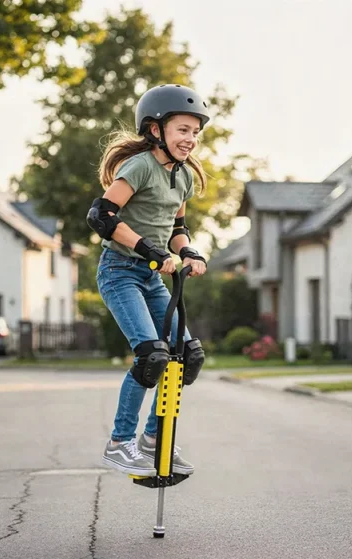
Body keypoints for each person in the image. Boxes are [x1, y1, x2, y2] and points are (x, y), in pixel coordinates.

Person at [86, 84, 211, 477]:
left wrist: (187, 251)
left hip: (154, 278)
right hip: (120, 272)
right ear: (156, 130)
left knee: (186, 355)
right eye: (182, 130)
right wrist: (152, 252)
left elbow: (176, 227)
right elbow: (102, 217)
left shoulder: (184, 178)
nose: (190, 139)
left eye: (195, 132)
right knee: (151, 356)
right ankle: (120, 443)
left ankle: (154, 439)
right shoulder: (139, 166)